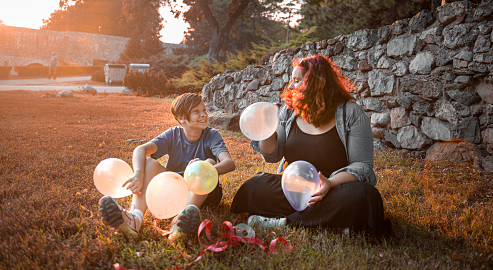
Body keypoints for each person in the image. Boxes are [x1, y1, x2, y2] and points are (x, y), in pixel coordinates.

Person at [230, 54, 390, 237]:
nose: (290, 86)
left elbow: (362, 166)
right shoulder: (288, 112)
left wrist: (329, 183)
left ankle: (285, 222)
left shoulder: (350, 113)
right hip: (294, 190)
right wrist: (265, 131)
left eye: (297, 80)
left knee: (365, 196)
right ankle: (331, 226)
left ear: (317, 82)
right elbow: (272, 156)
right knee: (255, 185)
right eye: (291, 80)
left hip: (335, 190)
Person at [99, 93, 236, 241]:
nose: (203, 115)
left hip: (205, 192)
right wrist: (138, 174)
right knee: (149, 162)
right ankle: (134, 218)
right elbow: (141, 150)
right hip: (174, 191)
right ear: (182, 118)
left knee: (209, 161)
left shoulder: (212, 135)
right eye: (196, 112)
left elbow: (229, 163)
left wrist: (201, 169)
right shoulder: (173, 134)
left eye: (204, 110)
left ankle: (179, 223)